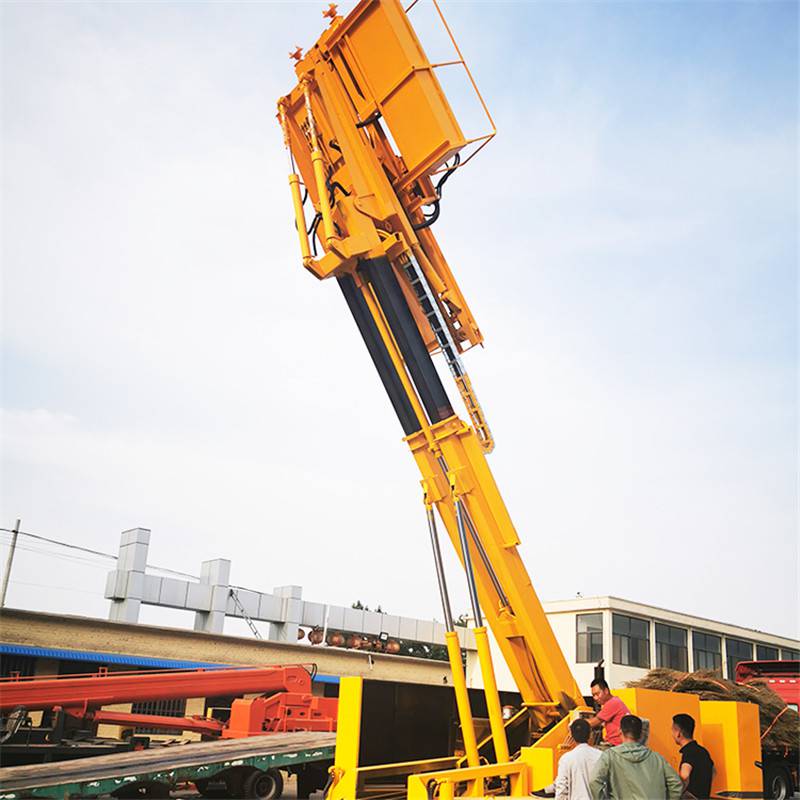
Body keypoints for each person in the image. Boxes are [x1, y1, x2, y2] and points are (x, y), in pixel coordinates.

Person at [590, 714, 683, 800]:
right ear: (641, 734)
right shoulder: (657, 758)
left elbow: (594, 781)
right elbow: (676, 783)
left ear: (620, 731)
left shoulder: (610, 756)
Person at [554, 718, 602, 800]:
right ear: (590, 735)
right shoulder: (601, 755)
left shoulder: (566, 758)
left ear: (572, 736)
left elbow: (561, 788)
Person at [671, 713, 714, 799]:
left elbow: (684, 776)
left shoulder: (689, 752)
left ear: (678, 733)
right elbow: (714, 771)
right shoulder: (703, 751)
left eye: (672, 730)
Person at [587, 678, 630, 746]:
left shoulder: (612, 703)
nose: (595, 698)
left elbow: (592, 723)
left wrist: (575, 722)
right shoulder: (616, 701)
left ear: (606, 691)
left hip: (615, 745)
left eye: (597, 694)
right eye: (593, 695)